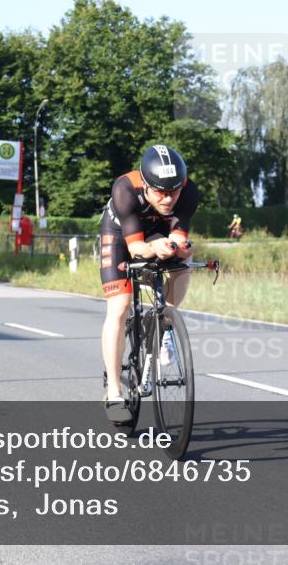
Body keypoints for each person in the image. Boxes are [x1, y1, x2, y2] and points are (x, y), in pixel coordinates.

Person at [99, 145, 199, 423]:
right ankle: (115, 391)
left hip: (157, 232)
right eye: (160, 192)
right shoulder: (125, 189)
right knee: (119, 307)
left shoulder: (189, 192)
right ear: (145, 185)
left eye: (174, 191)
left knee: (183, 264)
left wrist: (180, 247)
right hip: (122, 235)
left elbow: (179, 233)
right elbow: (137, 249)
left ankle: (164, 326)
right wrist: (156, 247)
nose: (168, 199)